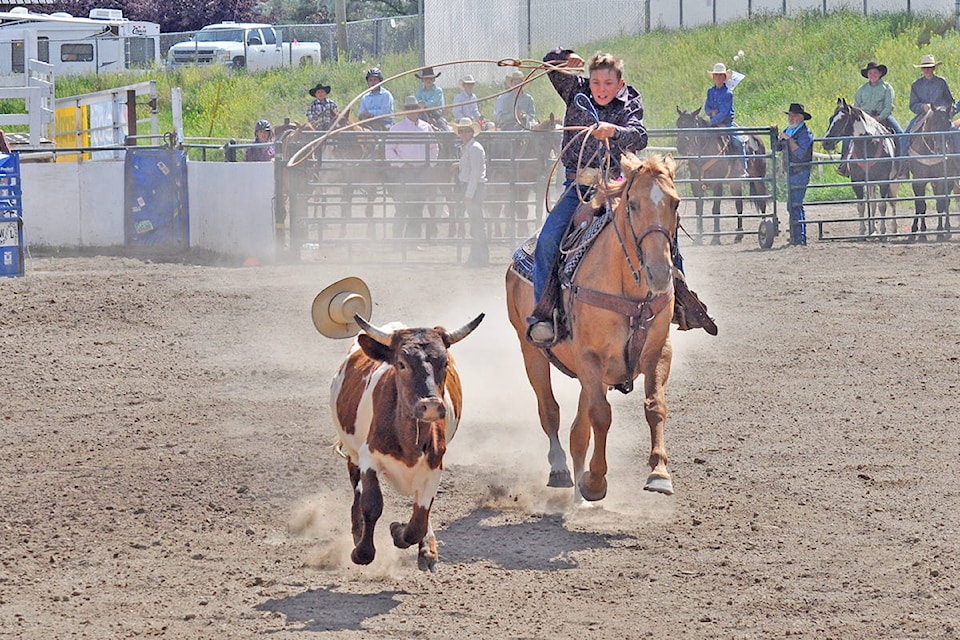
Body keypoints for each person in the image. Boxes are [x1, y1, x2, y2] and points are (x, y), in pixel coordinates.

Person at [526, 48, 648, 345]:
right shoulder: (575, 89)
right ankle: (543, 312)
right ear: (588, 81)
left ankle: (679, 295)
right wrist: (566, 57)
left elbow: (640, 135)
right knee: (548, 241)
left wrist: (614, 132)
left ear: (619, 83)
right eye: (596, 83)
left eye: (608, 84)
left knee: (656, 230)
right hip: (577, 188)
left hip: (617, 185)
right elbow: (548, 63)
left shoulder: (630, 99)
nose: (601, 89)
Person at [839, 61, 903, 176]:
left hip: (882, 118)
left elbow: (889, 106)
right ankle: (843, 163)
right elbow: (856, 106)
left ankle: (901, 165)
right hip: (864, 119)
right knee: (848, 135)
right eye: (870, 73)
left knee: (900, 134)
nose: (872, 75)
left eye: (875, 72)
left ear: (879, 74)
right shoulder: (861, 89)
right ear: (867, 75)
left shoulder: (887, 88)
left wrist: (879, 118)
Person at [387, 96, 439, 238]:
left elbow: (434, 147)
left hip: (421, 170)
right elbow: (389, 150)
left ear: (418, 110)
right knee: (401, 207)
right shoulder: (396, 128)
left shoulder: (426, 127)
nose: (412, 112)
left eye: (414, 109)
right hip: (405, 171)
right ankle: (397, 240)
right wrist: (402, 163)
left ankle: (413, 240)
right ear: (406, 111)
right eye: (409, 109)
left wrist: (430, 164)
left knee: (418, 206)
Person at [775, 103, 814, 246]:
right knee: (793, 205)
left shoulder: (804, 134)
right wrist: (776, 135)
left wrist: (789, 140)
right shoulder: (790, 130)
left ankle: (800, 238)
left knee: (795, 204)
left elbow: (800, 153)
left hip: (800, 171)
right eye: (790, 115)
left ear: (799, 117)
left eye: (793, 115)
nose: (790, 118)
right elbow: (777, 147)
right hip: (792, 171)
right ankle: (797, 237)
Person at [453, 117, 488, 266]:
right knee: (476, 224)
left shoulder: (474, 148)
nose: (463, 133)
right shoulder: (469, 148)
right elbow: (472, 170)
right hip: (471, 187)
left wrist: (468, 195)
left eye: (466, 131)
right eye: (461, 131)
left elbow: (475, 174)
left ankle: (479, 258)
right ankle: (478, 257)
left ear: (472, 132)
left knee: (476, 224)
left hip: (473, 189)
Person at [704, 62, 748, 177]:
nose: (718, 77)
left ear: (724, 77)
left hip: (726, 124)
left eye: (720, 75)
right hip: (713, 123)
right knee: (701, 140)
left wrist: (712, 120)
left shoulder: (728, 93)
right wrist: (711, 112)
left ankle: (743, 168)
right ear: (713, 77)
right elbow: (707, 107)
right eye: (716, 75)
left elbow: (724, 113)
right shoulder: (710, 91)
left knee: (738, 142)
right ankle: (701, 167)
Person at [414, 66, 448, 130]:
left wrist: (423, 105)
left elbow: (433, 103)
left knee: (445, 131)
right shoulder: (419, 91)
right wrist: (421, 106)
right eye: (426, 79)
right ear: (422, 80)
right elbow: (417, 102)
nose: (428, 80)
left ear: (434, 80)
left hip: (435, 115)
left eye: (430, 79)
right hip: (421, 114)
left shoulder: (438, 91)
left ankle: (448, 137)